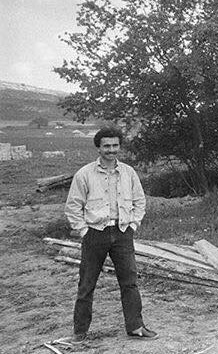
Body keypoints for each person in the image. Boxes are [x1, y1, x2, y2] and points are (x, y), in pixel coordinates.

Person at [64, 126, 158, 342]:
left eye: (115, 145)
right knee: (86, 284)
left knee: (129, 282)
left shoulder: (128, 172)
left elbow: (139, 201)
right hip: (95, 234)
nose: (111, 150)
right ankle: (80, 332)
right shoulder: (85, 174)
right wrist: (84, 231)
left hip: (123, 233)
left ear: (119, 147)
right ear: (98, 148)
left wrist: (133, 225)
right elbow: (73, 206)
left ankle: (136, 327)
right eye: (106, 146)